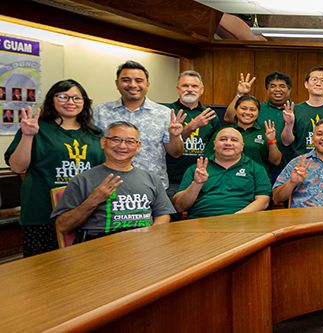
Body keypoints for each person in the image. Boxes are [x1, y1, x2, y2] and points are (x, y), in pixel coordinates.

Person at [5, 80, 106, 256]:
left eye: (76, 98)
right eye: (63, 96)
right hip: (42, 213)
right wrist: (28, 136)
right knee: (42, 271)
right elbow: (17, 166)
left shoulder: (95, 134)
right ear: (52, 99)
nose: (70, 102)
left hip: (84, 213)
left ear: (85, 102)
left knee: (84, 268)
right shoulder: (36, 128)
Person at [51, 121, 174, 243]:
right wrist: (93, 201)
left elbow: (163, 215)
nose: (122, 146)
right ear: (103, 142)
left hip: (144, 244)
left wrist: (151, 236)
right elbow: (63, 226)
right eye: (115, 139)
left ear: (138, 146)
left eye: (130, 141)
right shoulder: (82, 180)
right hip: (101, 245)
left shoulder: (152, 179)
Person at [93, 61, 194, 190]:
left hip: (153, 187)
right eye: (126, 80)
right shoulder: (100, 112)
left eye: (139, 80)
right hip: (110, 187)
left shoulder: (164, 113)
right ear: (117, 83)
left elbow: (176, 153)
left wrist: (174, 136)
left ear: (147, 85)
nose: (133, 85)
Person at [172, 127, 272, 218]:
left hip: (242, 221)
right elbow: (180, 206)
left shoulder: (256, 168)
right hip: (201, 223)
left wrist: (235, 217)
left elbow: (263, 201)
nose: (228, 143)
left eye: (234, 140)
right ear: (214, 144)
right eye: (223, 139)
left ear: (242, 146)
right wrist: (197, 184)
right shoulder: (197, 169)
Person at [225, 72, 296, 179]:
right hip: (260, 167)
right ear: (267, 90)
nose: (277, 89)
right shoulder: (257, 108)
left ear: (289, 90)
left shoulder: (296, 109)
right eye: (273, 86)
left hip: (290, 167)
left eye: (282, 86)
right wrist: (240, 94)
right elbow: (229, 118)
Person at [164, 71, 220, 196]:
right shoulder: (167, 112)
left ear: (202, 90)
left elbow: (215, 148)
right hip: (172, 180)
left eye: (194, 86)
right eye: (185, 86)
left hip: (202, 178)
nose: (189, 89)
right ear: (178, 89)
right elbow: (165, 144)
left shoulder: (210, 115)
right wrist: (191, 126)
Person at [285, 66, 323, 157]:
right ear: (306, 84)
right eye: (314, 79)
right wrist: (289, 124)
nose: (318, 83)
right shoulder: (295, 109)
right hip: (302, 163)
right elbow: (286, 142)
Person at [219, 95, 282, 171]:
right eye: (243, 108)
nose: (248, 112)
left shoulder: (265, 132)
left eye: (252, 110)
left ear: (258, 112)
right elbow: (211, 157)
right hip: (229, 179)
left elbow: (276, 161)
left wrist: (271, 141)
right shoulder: (224, 132)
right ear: (236, 110)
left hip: (256, 179)